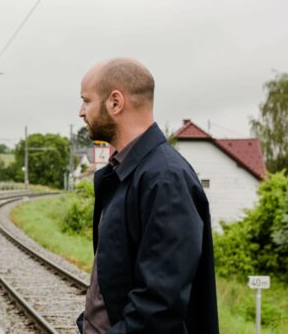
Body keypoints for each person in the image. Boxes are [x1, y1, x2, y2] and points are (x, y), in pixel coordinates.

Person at [76, 58, 219, 333]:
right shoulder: (123, 173)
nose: (81, 112)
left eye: (86, 100)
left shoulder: (164, 179)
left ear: (115, 102)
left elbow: (159, 305)